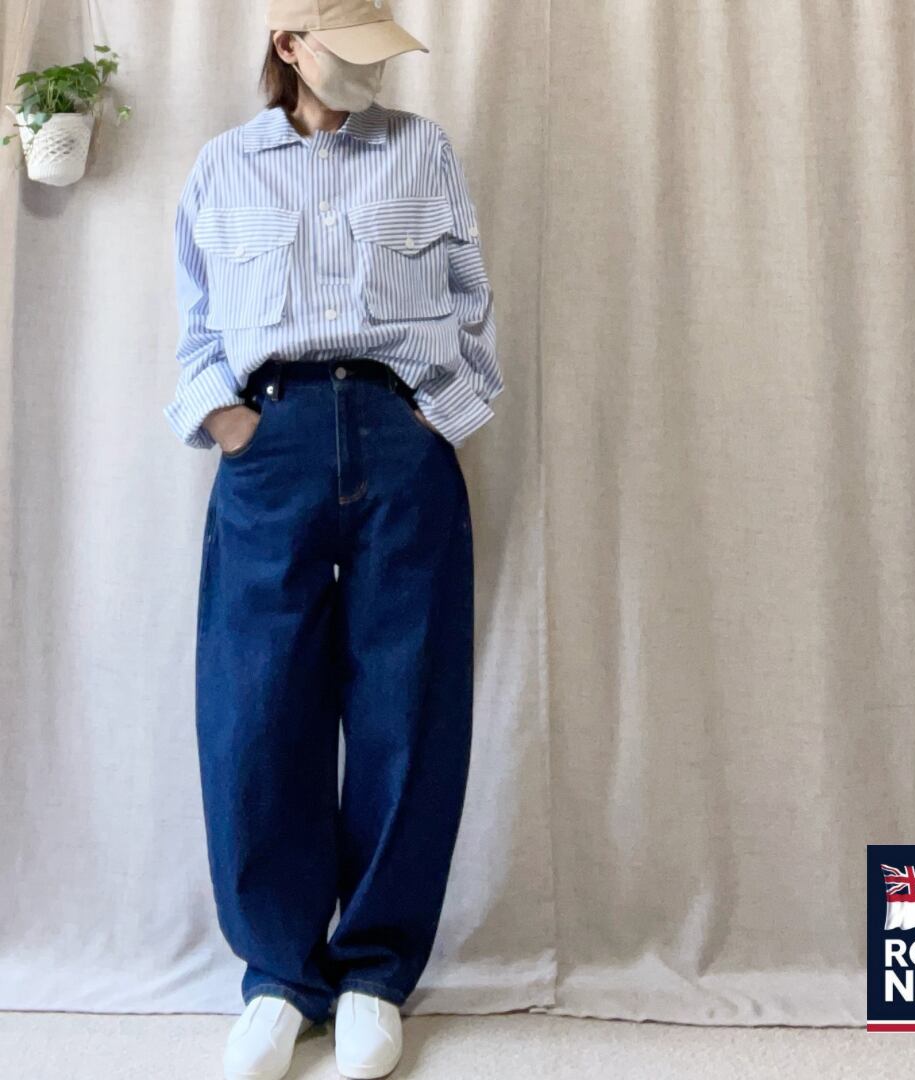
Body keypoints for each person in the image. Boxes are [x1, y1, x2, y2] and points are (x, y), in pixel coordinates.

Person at [163, 1, 502, 1077]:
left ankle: (374, 974)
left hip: (402, 442)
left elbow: (472, 305)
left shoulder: (422, 151)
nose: (371, 75)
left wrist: (434, 421)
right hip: (271, 442)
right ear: (289, 46)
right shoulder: (224, 167)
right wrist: (232, 424)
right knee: (256, 708)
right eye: (348, 54)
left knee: (407, 704)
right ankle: (279, 977)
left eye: (380, 54)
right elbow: (196, 327)